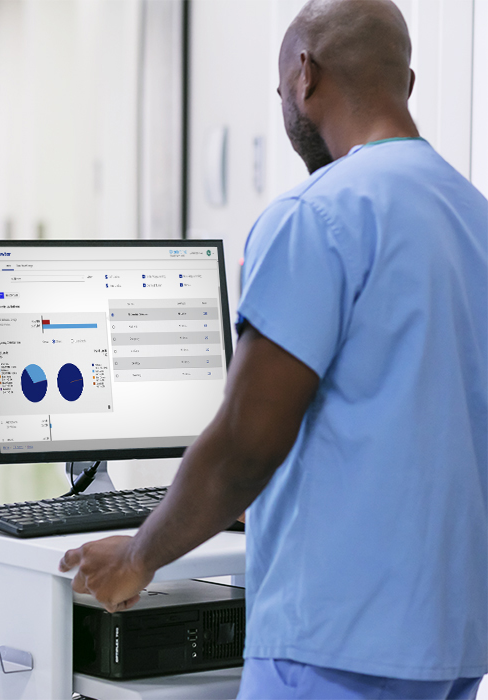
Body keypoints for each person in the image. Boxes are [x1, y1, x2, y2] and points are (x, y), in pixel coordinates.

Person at [60, 0, 488, 697]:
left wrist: (140, 555)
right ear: (406, 86)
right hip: (450, 647)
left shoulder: (316, 216)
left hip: (332, 647)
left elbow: (246, 442)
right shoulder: (474, 217)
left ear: (302, 75)